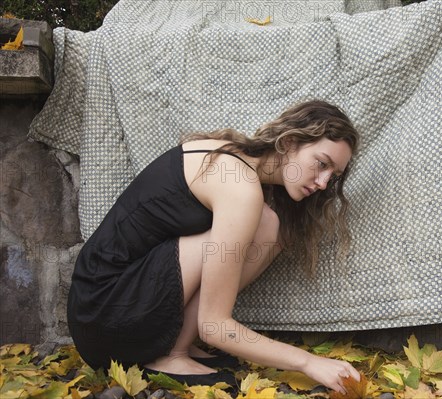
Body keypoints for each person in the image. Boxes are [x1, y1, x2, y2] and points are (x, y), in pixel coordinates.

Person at [67, 99, 361, 393]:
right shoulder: (239, 185)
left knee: (268, 224)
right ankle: (172, 355)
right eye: (321, 164)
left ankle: (176, 346)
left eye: (332, 175)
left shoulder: (235, 161)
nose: (323, 183)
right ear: (290, 142)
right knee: (261, 221)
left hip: (107, 312)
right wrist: (308, 363)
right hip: (104, 315)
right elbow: (214, 325)